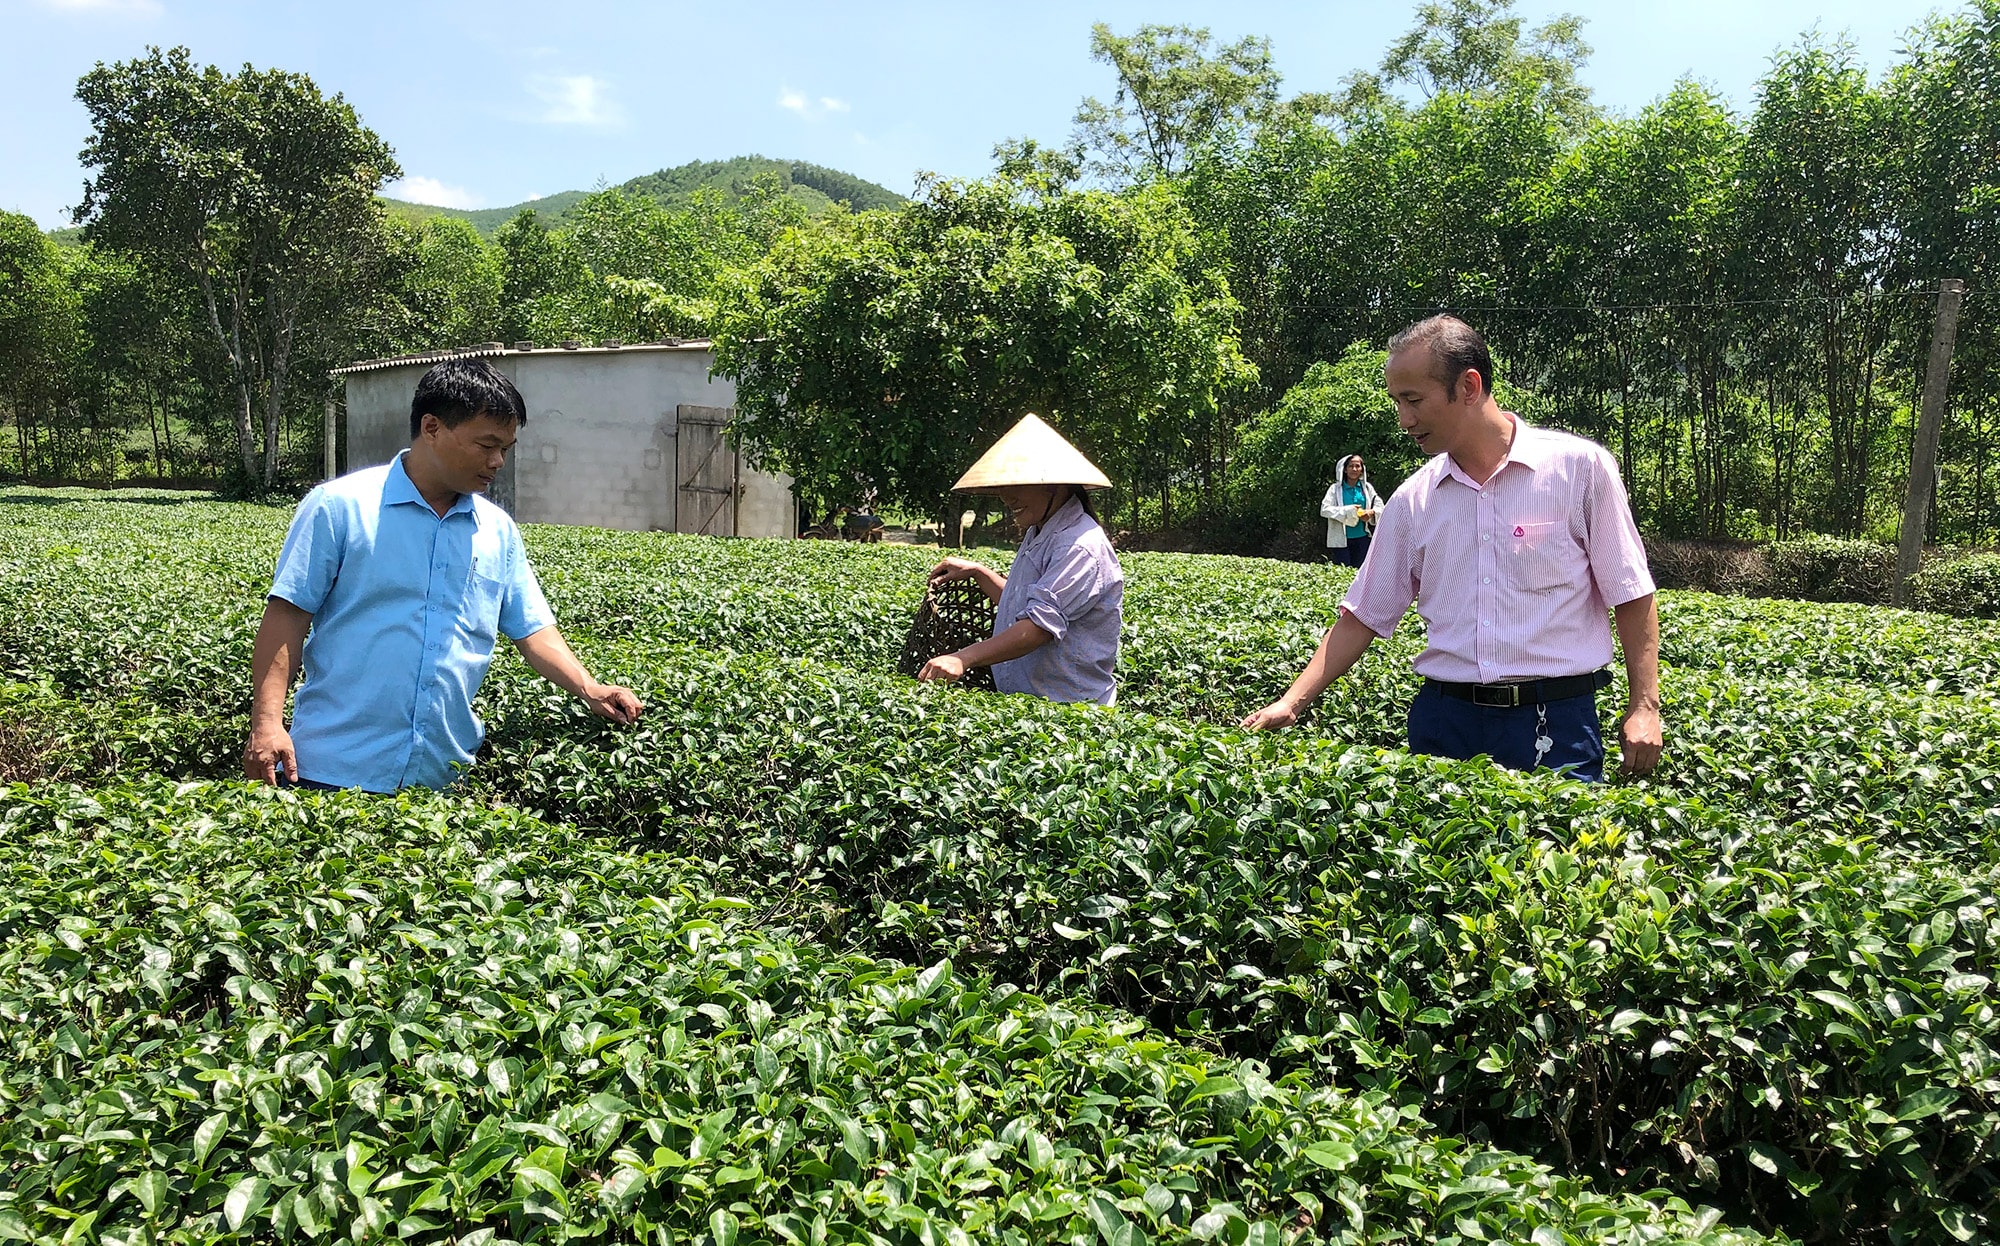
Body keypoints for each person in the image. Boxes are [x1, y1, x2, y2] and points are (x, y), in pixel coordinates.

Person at [1242, 316, 1663, 781]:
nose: (1404, 420)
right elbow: (1363, 615)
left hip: (1554, 722)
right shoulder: (1414, 499)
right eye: (1398, 402)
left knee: (1554, 851)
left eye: (1414, 400)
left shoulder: (1579, 470)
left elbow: (1630, 592)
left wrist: (1644, 706)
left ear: (1468, 385)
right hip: (1445, 721)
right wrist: (1291, 701)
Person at [242, 359, 644, 792]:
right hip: (331, 769)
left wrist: (589, 687)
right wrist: (267, 724)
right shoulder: (339, 508)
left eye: (506, 448)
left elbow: (533, 630)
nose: (498, 461)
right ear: (431, 427)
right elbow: (287, 617)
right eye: (486, 445)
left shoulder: (497, 531)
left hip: (441, 778)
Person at [918, 413, 1124, 705]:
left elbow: (1037, 629)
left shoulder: (1080, 546)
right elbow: (1026, 607)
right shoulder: (1040, 530)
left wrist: (963, 658)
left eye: (1017, 486)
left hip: (1070, 712)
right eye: (1002, 487)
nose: (1006, 497)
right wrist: (979, 573)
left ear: (1053, 484)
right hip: (1031, 704)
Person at [1320, 452, 1381, 567]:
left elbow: (1379, 505)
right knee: (1343, 572)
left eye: (1357, 466)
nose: (1354, 469)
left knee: (1361, 572)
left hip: (1362, 538)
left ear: (1362, 470)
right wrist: (1349, 510)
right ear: (1344, 469)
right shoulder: (1335, 489)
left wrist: (1371, 512)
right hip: (1341, 540)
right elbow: (1325, 509)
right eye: (1351, 466)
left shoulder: (1367, 488)